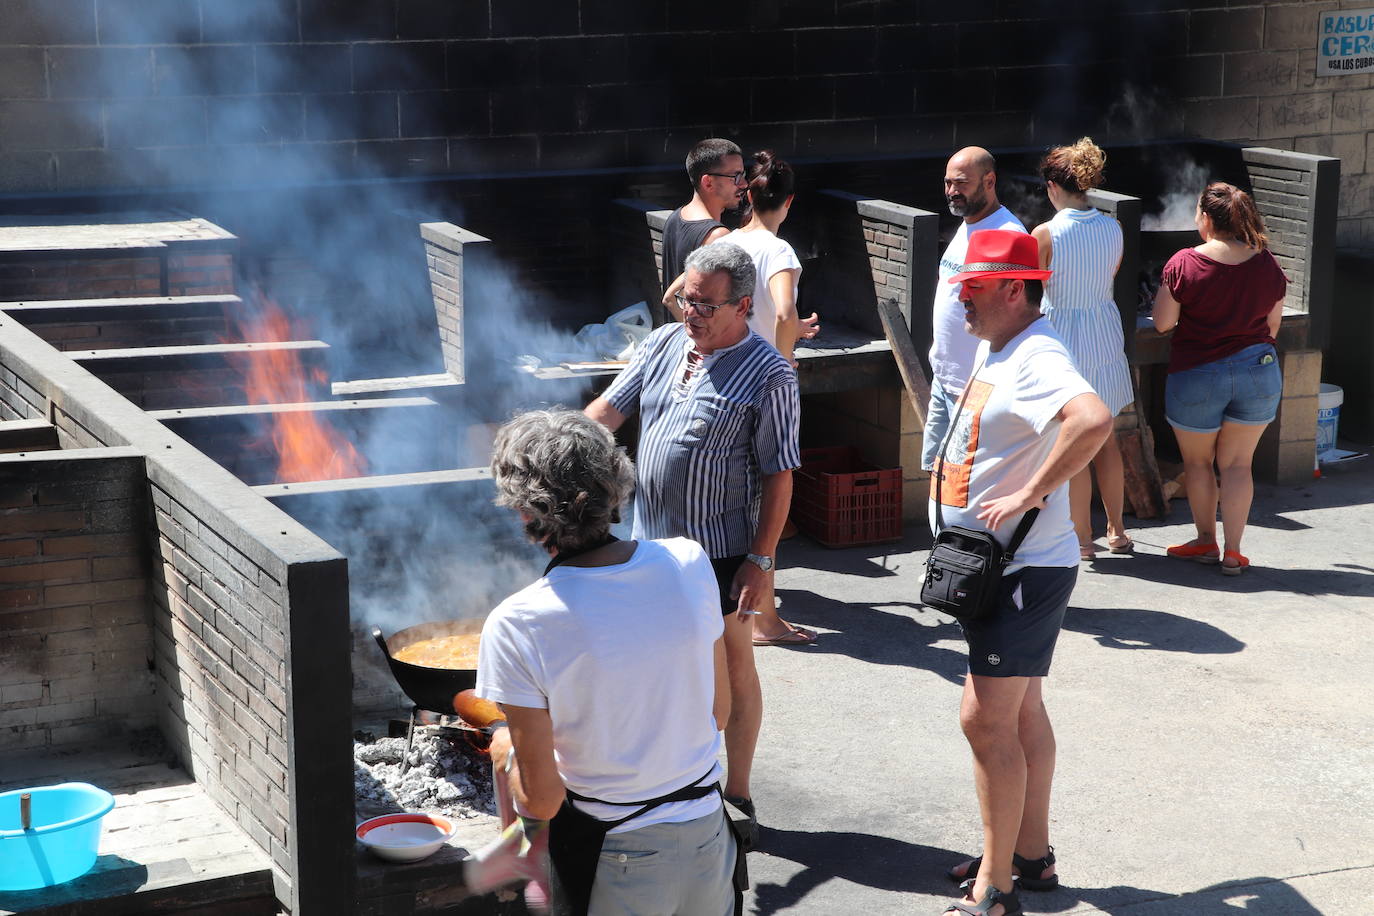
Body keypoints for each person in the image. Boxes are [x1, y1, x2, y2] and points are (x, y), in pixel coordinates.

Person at [476, 408, 742, 915]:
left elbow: (543, 801)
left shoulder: (517, 621)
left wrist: (506, 744)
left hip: (619, 861)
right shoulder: (687, 561)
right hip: (710, 841)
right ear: (614, 483)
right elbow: (718, 713)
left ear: (525, 512)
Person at [585, 241, 801, 848]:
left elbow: (780, 473)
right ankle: (673, 778)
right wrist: (549, 445)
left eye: (705, 304)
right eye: (686, 298)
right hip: (646, 546)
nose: (691, 312)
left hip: (720, 554)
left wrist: (761, 562)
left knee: (729, 665)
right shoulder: (661, 344)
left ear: (743, 305)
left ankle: (733, 792)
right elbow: (607, 411)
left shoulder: (770, 374)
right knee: (657, 663)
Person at [932, 230, 1112, 916]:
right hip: (1003, 569)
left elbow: (1091, 419)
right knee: (1022, 709)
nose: (960, 299)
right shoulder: (1001, 344)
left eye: (971, 288)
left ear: (1014, 288)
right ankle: (1027, 855)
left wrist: (1034, 489)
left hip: (1020, 573)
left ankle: (997, 888)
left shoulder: (1036, 352)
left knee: (984, 722)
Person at [1152, 182, 1287, 575]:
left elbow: (1162, 324)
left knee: (1198, 463)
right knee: (1239, 465)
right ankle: (1234, 551)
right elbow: (1273, 326)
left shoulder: (1184, 262)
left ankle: (1205, 540)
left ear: (1207, 219)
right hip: (1258, 371)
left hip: (1197, 374)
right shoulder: (1267, 263)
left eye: (1197, 212)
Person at [1031, 138, 1136, 560]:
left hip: (1063, 339)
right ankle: (1118, 530)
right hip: (1104, 333)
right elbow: (1109, 275)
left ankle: (1081, 540)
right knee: (1105, 440)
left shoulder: (1046, 232)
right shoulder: (1114, 227)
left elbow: (1032, 291)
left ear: (1054, 186)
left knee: (1073, 443)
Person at [924, 147, 1028, 473]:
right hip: (944, 382)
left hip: (976, 389)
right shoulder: (967, 224)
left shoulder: (1009, 236)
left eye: (961, 183)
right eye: (947, 183)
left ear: (989, 181)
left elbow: (1020, 316)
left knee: (963, 485)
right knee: (935, 475)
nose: (952, 192)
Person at [661, 138, 747, 309]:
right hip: (697, 334)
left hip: (678, 333)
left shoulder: (675, 217)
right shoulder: (717, 236)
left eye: (743, 175)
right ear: (708, 182)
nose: (744, 184)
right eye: (735, 176)